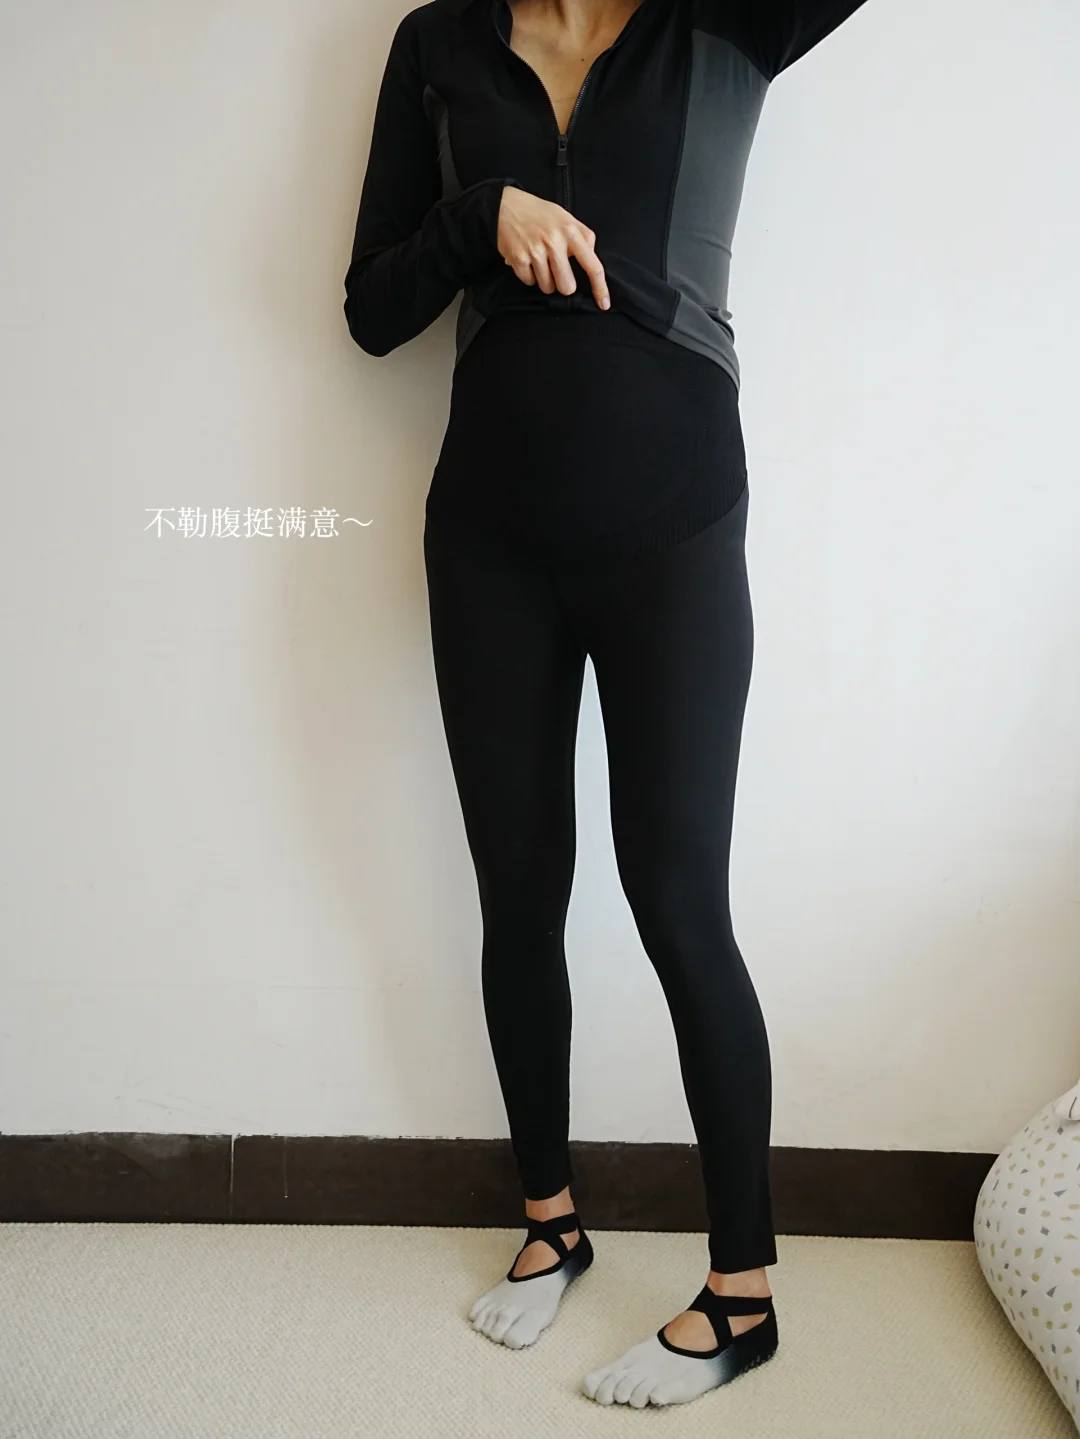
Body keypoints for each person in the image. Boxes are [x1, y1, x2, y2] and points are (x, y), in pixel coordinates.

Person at [344, 0, 871, 1409]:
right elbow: (373, 310)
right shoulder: (438, 44)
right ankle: (551, 1224)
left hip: (672, 531)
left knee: (680, 903)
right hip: (488, 543)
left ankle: (743, 1293)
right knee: (518, 894)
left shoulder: (725, 21)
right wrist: (480, 217)